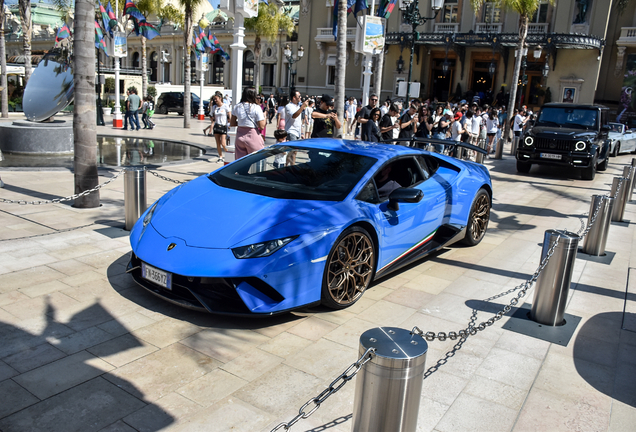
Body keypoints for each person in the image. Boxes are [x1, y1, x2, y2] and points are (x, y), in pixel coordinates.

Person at [230, 87, 266, 160]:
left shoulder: (237, 106)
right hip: (252, 135)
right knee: (258, 159)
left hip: (240, 135)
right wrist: (265, 117)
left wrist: (242, 123)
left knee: (240, 162)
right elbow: (261, 126)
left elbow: (232, 123)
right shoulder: (256, 107)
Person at [211, 94, 231, 163]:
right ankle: (220, 157)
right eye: (214, 99)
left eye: (216, 99)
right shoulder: (214, 107)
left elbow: (229, 114)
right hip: (217, 126)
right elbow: (211, 115)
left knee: (223, 143)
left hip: (223, 126)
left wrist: (230, 124)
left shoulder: (225, 106)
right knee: (218, 143)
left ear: (220, 98)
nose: (215, 100)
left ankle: (229, 154)